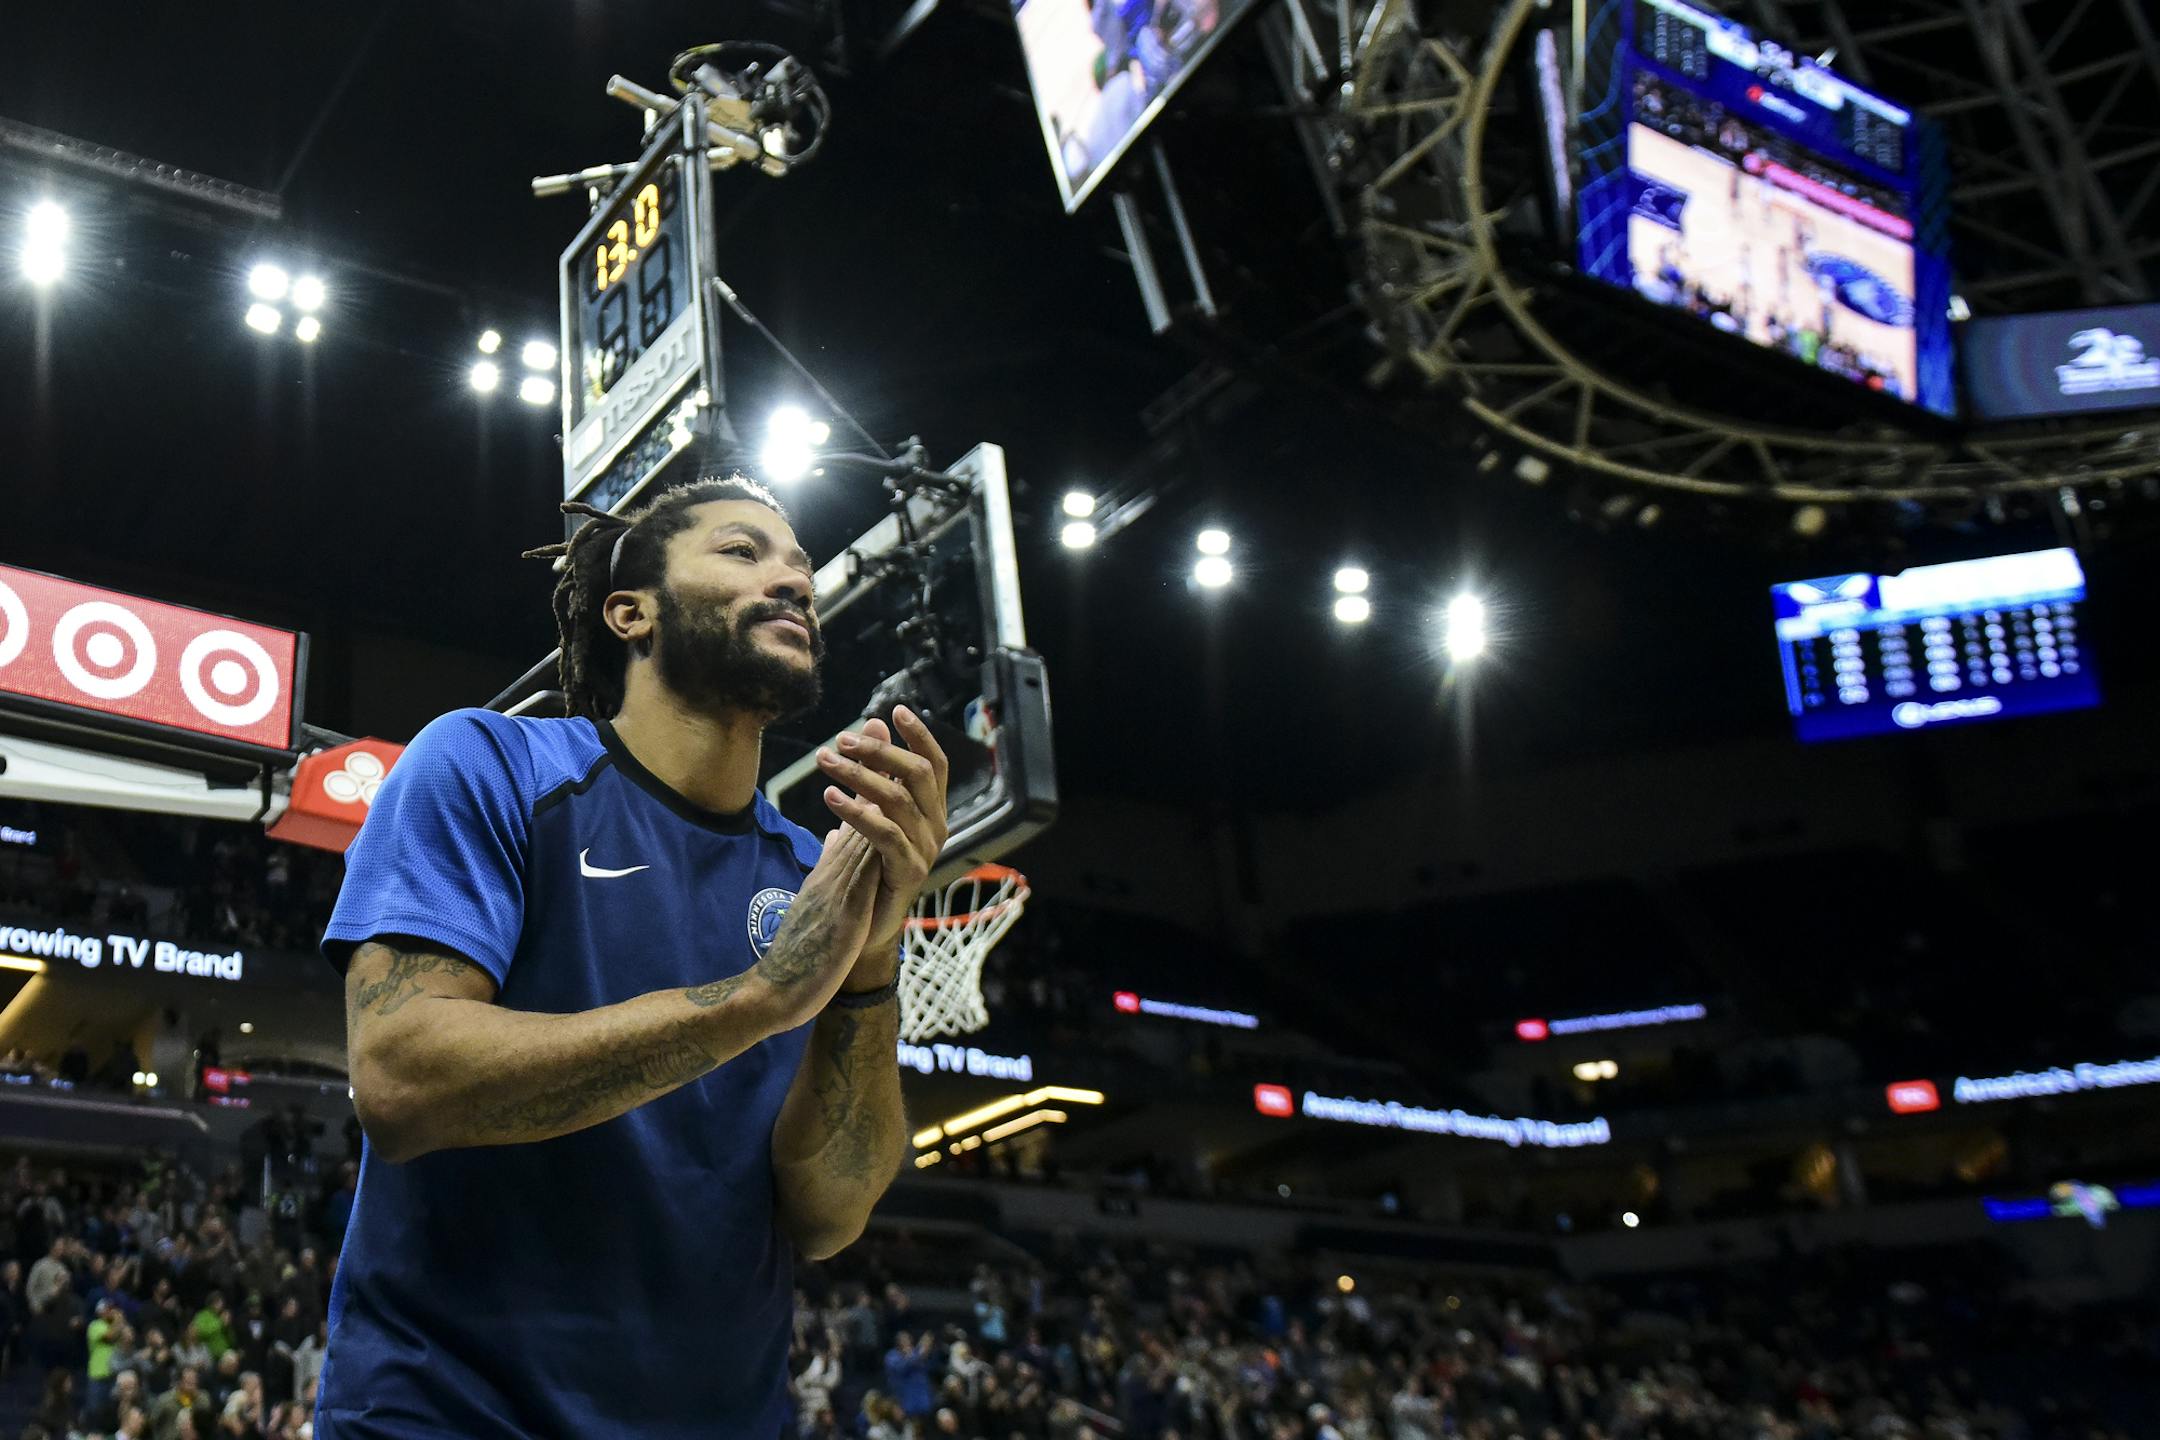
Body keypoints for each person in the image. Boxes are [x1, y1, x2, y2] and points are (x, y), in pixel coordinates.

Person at [314, 475, 950, 1438]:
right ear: (630, 613)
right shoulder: (489, 766)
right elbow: (402, 1083)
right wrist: (763, 995)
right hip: (454, 1416)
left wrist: (868, 964)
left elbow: (827, 1217)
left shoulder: (811, 874)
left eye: (803, 569)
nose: (794, 582)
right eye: (744, 552)